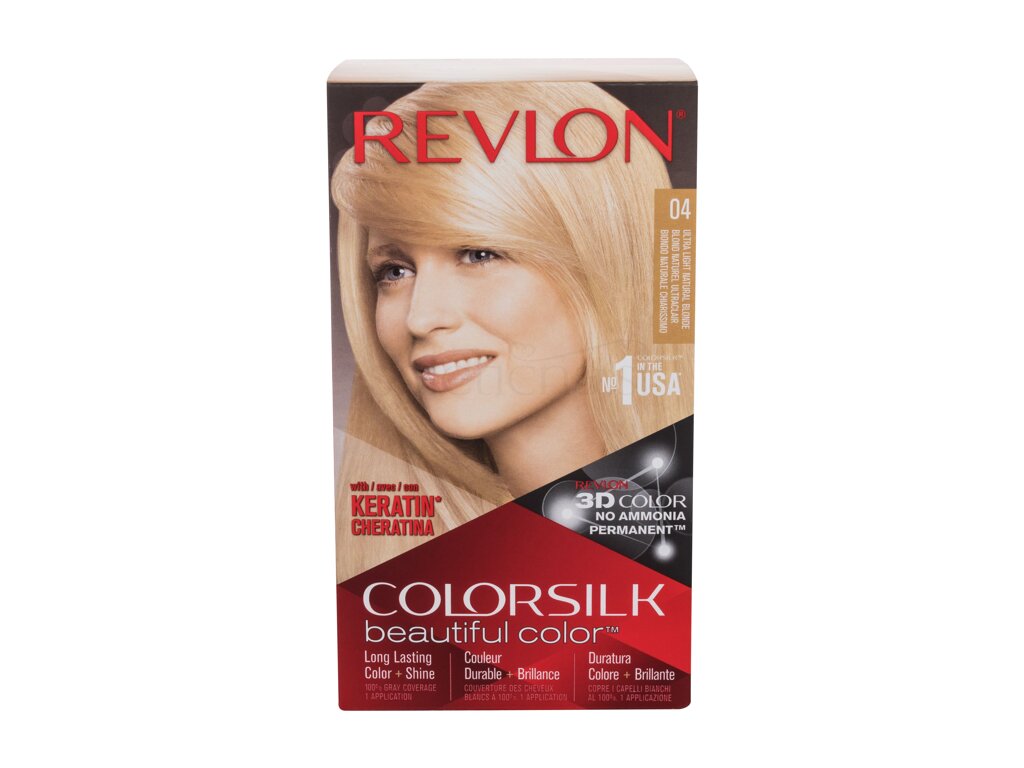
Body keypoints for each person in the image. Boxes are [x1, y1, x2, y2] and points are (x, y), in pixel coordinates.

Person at [330, 82, 692, 578]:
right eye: (394, 271)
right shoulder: (387, 571)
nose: (420, 317)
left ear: (604, 263)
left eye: (478, 254)